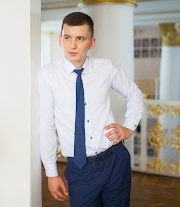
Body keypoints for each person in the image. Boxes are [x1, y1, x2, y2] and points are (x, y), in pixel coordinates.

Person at [38, 12, 143, 206]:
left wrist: (129, 127)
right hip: (80, 168)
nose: (72, 45)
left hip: (115, 160)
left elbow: (135, 94)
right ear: (61, 39)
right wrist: (51, 173)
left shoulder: (106, 68)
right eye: (67, 37)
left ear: (91, 43)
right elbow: (46, 125)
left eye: (80, 38)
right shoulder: (48, 75)